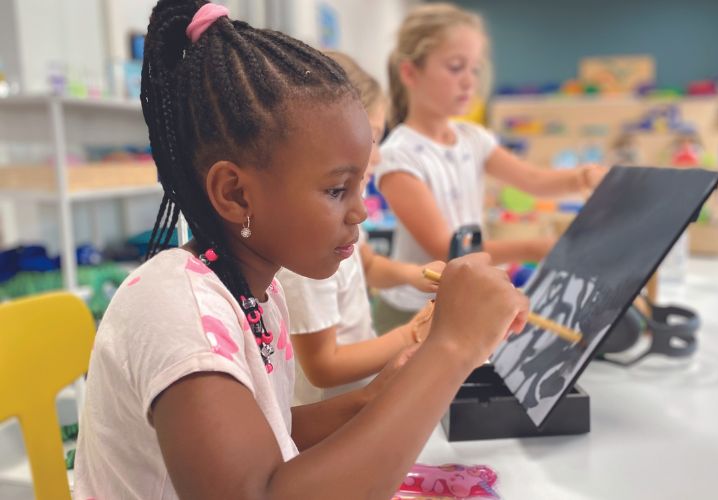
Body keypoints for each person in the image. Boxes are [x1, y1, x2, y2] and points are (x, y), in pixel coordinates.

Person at [74, 2, 529, 499]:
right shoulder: (177, 312)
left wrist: (377, 396)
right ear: (236, 194)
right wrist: (452, 347)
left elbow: (268, 436)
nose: (359, 212)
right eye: (337, 190)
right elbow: (262, 491)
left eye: (361, 185)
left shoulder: (252, 291)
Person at [373, 3, 606, 333]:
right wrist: (534, 248)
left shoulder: (474, 138)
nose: (469, 81)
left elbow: (535, 181)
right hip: (410, 313)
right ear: (410, 73)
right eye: (455, 67)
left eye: (475, 69)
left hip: (462, 298)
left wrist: (584, 177)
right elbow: (448, 250)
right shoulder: (399, 155)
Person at [278, 52, 444, 405]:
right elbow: (324, 365)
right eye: (373, 139)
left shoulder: (344, 212)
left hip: (356, 401)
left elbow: (366, 266)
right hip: (326, 417)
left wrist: (418, 275)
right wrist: (414, 334)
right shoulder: (308, 243)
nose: (380, 157)